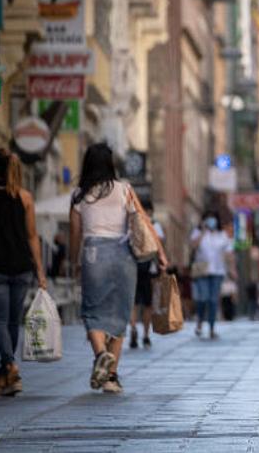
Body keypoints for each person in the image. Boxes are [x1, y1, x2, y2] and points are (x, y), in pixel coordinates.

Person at [69, 143, 167, 394]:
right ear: (111, 164)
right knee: (120, 314)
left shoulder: (79, 194)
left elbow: (75, 233)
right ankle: (111, 377)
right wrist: (161, 254)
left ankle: (101, 354)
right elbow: (144, 221)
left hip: (93, 254)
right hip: (123, 255)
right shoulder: (125, 189)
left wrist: (74, 262)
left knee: (92, 311)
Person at [0, 149, 48, 396]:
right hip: (22, 269)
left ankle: (10, 365)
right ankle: (7, 370)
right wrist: (40, 272)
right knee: (13, 321)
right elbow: (32, 236)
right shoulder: (26, 198)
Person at [189, 212, 237, 339]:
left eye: (213, 219)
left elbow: (229, 254)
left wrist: (232, 269)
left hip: (217, 272)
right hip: (202, 271)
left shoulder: (222, 235)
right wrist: (203, 231)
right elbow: (193, 246)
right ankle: (199, 321)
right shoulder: (198, 232)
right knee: (203, 298)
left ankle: (211, 328)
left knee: (213, 300)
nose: (211, 221)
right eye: (208, 219)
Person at [129, 200, 165, 349]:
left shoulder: (131, 224)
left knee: (134, 303)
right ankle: (145, 335)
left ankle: (132, 329)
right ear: (150, 211)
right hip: (149, 269)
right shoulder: (155, 225)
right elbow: (160, 245)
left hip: (132, 267)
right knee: (148, 304)